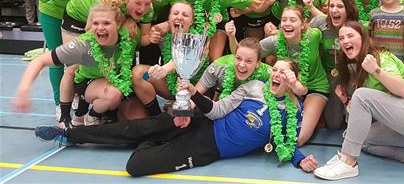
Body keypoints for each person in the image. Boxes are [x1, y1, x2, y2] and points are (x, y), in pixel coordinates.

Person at [33, 59, 318, 177]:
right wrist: (194, 95)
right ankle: (69, 134)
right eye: (275, 70)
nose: (277, 75)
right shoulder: (254, 88)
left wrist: (299, 159)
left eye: (285, 73)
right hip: (200, 121)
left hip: (208, 148)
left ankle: (152, 138)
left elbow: (288, 141)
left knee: (137, 165)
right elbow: (217, 110)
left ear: (293, 80)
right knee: (134, 127)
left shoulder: (293, 111)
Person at [312, 22, 404, 180]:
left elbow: (402, 90)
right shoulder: (360, 69)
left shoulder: (381, 57)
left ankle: (348, 162)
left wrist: (376, 70)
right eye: (341, 38)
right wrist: (345, 100)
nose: (344, 41)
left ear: (363, 38)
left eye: (350, 36)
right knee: (359, 137)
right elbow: (361, 119)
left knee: (362, 96)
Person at [13, 3, 139, 126]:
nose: (100, 27)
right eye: (95, 23)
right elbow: (39, 61)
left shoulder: (131, 35)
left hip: (115, 81)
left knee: (137, 117)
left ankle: (104, 113)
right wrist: (23, 89)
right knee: (112, 93)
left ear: (118, 25)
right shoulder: (83, 45)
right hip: (88, 83)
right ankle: (91, 116)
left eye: (106, 23)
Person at [37, 0, 96, 116]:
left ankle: (78, 96)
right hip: (53, 14)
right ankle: (58, 102)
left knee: (82, 59)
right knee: (58, 58)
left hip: (80, 17)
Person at [258, 6, 327, 146]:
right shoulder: (275, 41)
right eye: (284, 20)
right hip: (288, 89)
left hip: (315, 87)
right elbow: (249, 53)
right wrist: (232, 36)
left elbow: (327, 20)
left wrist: (311, 6)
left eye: (293, 20)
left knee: (298, 140)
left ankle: (314, 114)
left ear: (303, 24)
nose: (287, 23)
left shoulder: (314, 35)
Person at [309, 0, 359, 130]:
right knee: (334, 124)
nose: (334, 10)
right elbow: (301, 35)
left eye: (340, 6)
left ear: (349, 9)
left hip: (350, 76)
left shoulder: (357, 28)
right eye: (331, 6)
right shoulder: (319, 23)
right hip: (328, 76)